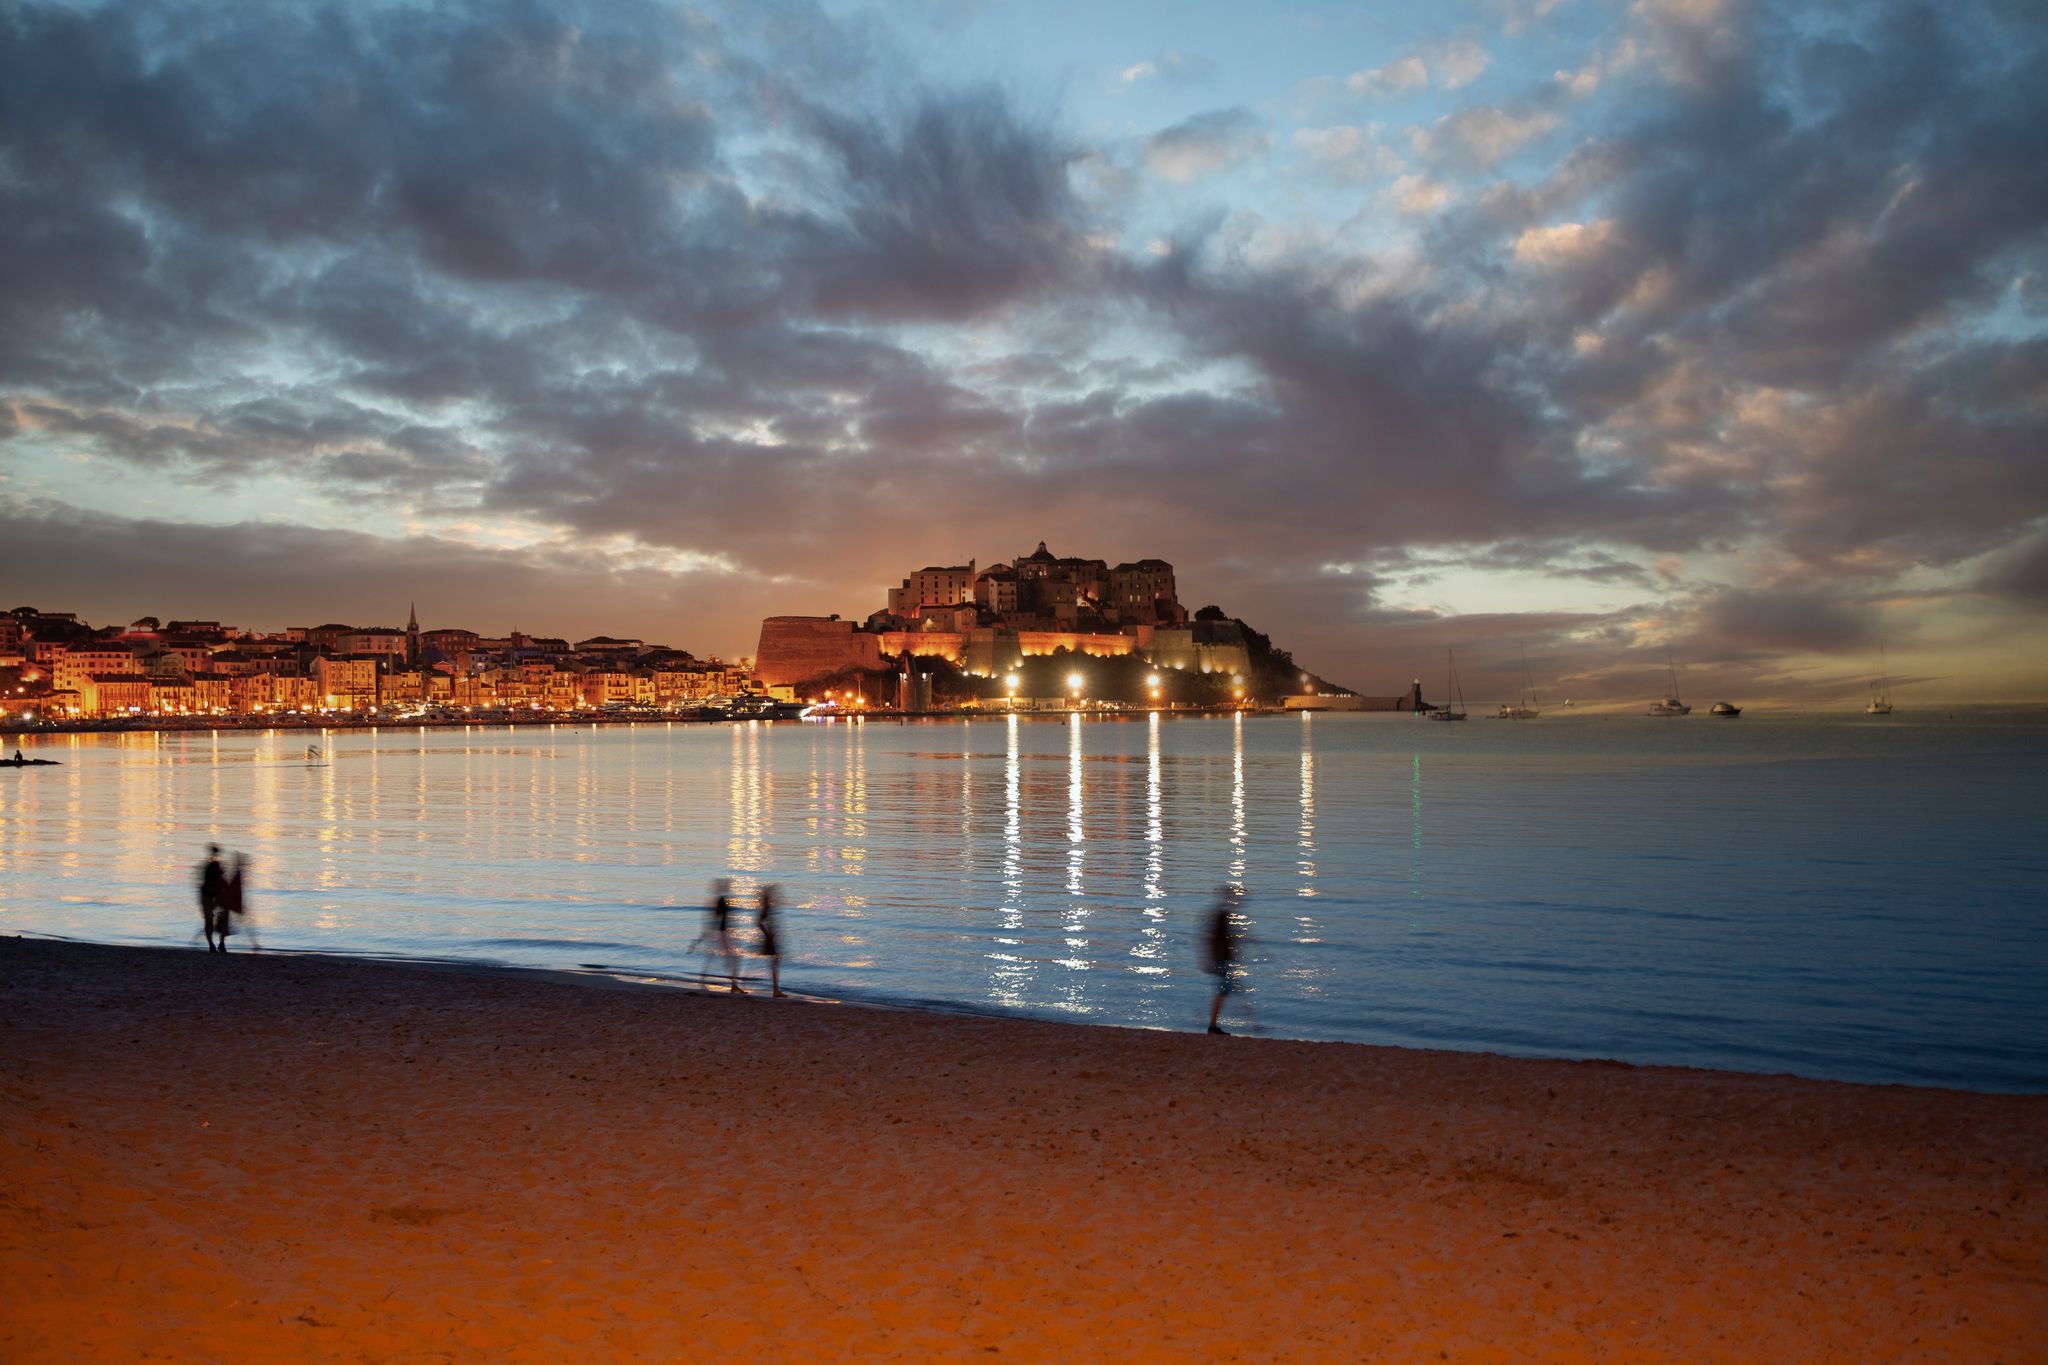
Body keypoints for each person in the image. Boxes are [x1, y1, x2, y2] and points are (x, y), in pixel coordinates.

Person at [1202, 884, 1245, 1035]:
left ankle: (1213, 1025)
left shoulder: (1223, 915)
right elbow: (1213, 938)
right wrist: (1210, 959)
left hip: (1223, 959)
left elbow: (1226, 938)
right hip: (1221, 960)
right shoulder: (1222, 915)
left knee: (1223, 991)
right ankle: (1212, 1026)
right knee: (1222, 992)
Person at [691, 878, 743, 994]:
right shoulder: (721, 900)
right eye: (726, 885)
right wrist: (706, 935)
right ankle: (733, 985)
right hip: (722, 934)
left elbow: (719, 918)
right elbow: (716, 918)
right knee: (734, 958)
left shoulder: (722, 900)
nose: (728, 887)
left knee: (718, 957)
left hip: (723, 933)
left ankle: (704, 979)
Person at [756, 885, 786, 998]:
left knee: (775, 962)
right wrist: (768, 934)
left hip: (771, 939)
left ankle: (776, 989)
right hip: (770, 940)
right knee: (775, 963)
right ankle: (776, 990)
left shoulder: (767, 907)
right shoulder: (766, 908)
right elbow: (758, 923)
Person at [197, 845, 227, 952]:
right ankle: (213, 944)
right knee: (212, 921)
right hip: (209, 896)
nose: (216, 855)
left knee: (213, 920)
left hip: (211, 896)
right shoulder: (213, 867)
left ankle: (216, 944)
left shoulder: (212, 866)